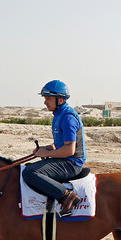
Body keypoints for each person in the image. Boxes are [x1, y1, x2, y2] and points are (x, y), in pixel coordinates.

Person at [22, 80, 87, 217]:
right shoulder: (59, 116)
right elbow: (60, 144)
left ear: (61, 100)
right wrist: (47, 148)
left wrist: (46, 153)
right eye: (45, 98)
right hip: (66, 160)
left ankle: (66, 196)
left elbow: (69, 150)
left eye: (48, 99)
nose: (45, 102)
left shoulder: (68, 118)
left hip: (71, 163)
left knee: (30, 173)